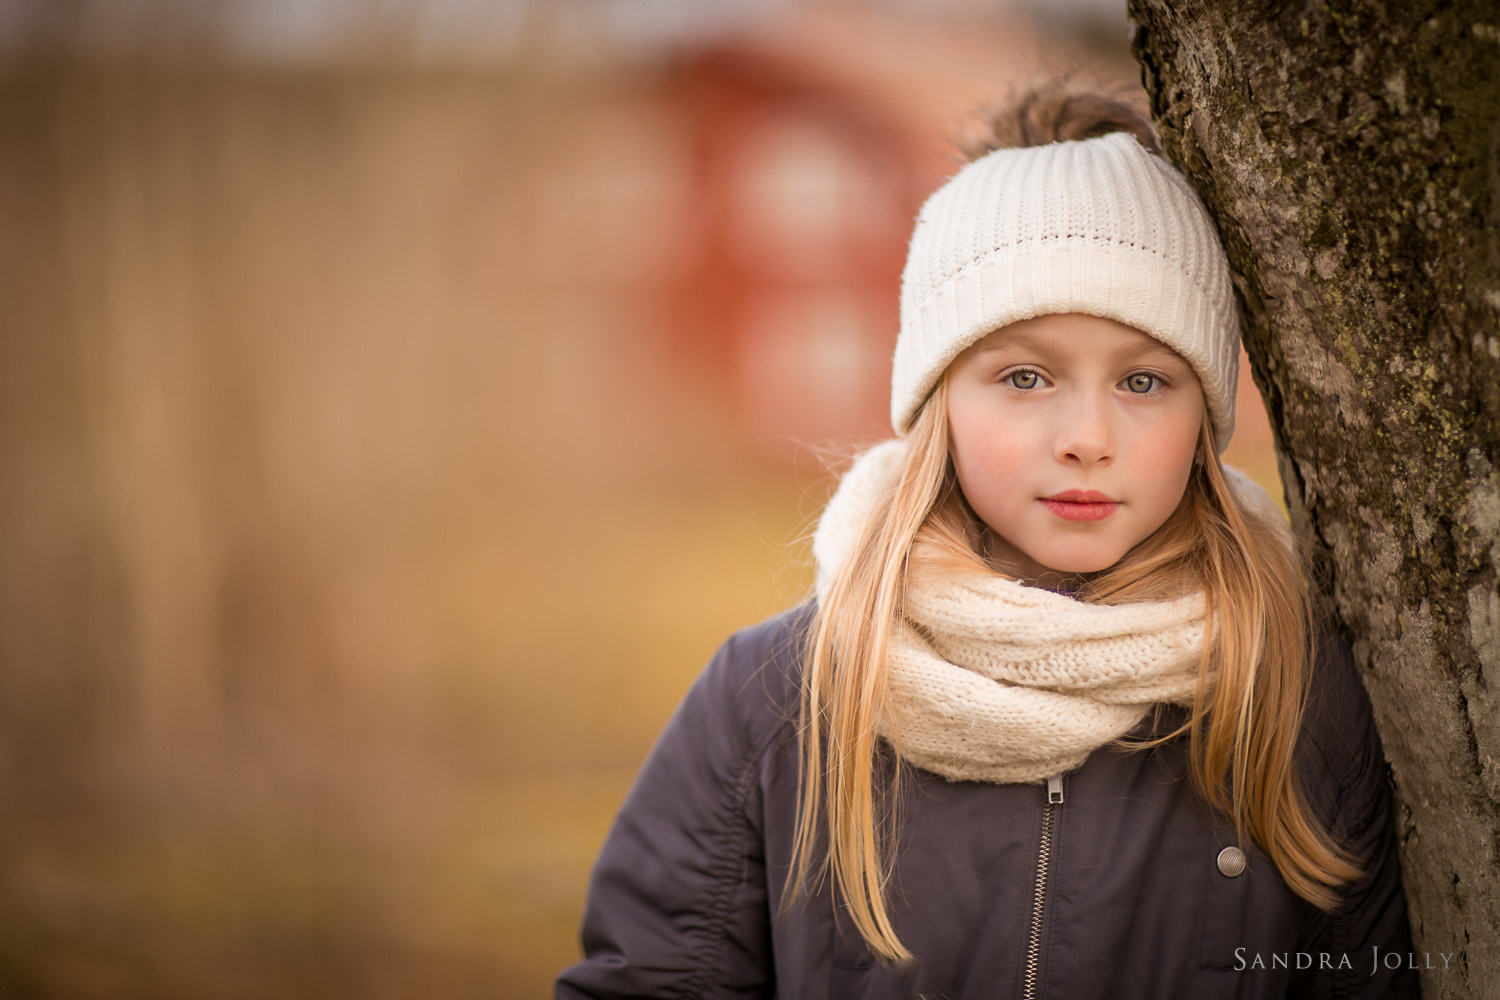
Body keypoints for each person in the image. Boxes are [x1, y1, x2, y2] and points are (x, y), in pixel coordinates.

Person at [554, 86, 1419, 999]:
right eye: (1025, 374)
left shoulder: (1288, 691)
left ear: (1205, 413)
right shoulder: (785, 698)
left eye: (1143, 380)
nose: (1087, 434)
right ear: (939, 403)